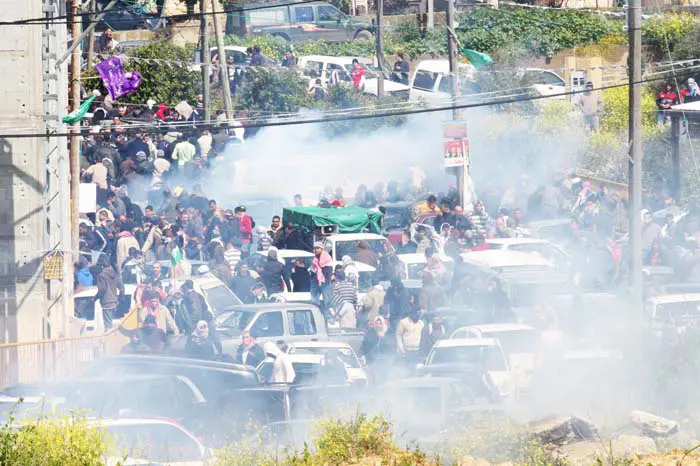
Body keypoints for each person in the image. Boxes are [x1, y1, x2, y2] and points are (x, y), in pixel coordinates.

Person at [96, 258, 123, 330]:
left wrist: (95, 298)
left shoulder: (101, 276)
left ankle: (110, 340)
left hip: (106, 303)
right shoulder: (115, 274)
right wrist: (121, 298)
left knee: (108, 326)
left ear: (102, 266)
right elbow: (122, 288)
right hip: (115, 303)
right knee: (113, 324)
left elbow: (102, 289)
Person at [311, 242, 333, 314]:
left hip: (325, 283)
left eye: (318, 248)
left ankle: (327, 316)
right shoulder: (315, 259)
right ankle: (316, 313)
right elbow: (313, 271)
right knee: (314, 300)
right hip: (316, 283)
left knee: (327, 301)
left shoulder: (327, 258)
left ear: (321, 249)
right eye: (315, 248)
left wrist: (323, 282)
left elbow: (328, 273)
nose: (316, 250)